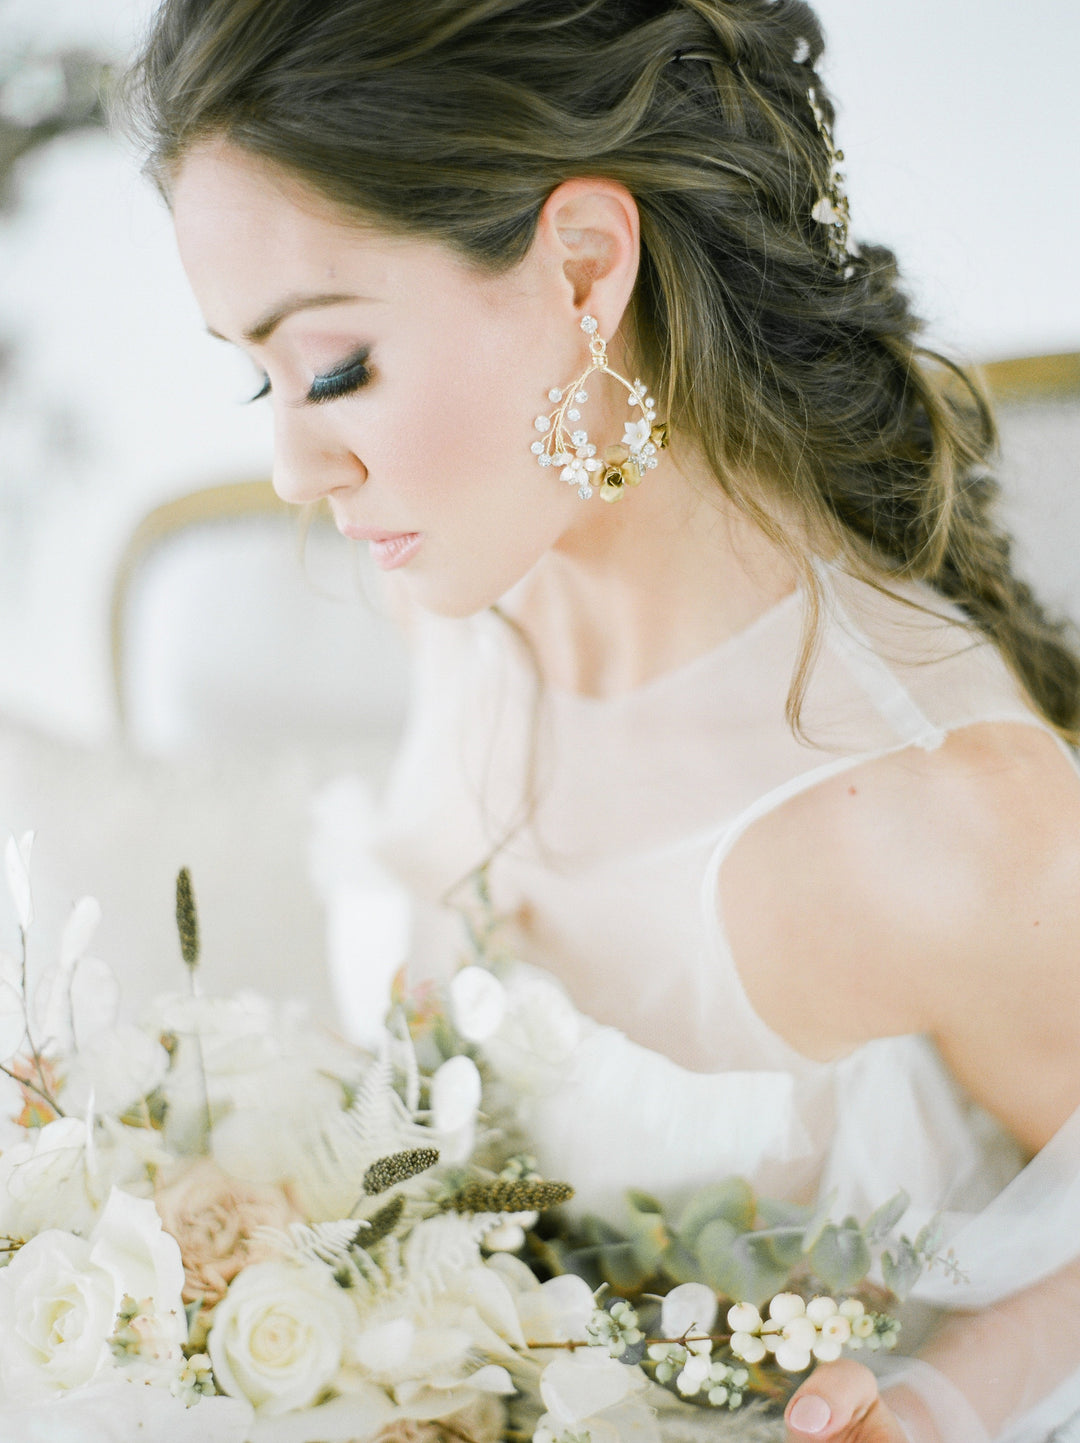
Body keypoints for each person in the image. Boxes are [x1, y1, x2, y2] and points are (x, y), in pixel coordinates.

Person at [120, 0, 1080, 1437]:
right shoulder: (457, 599)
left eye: (331, 369)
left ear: (582, 267)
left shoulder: (939, 818)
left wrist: (940, 1398)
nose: (292, 466)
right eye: (255, 376)